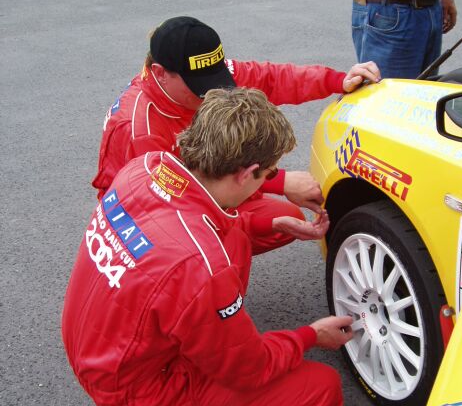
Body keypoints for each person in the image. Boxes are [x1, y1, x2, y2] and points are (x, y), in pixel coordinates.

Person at [63, 87, 353, 406]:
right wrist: (309, 335)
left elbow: (189, 228)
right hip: (134, 391)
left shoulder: (146, 166)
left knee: (235, 236)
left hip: (95, 343)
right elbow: (249, 369)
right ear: (247, 173)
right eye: (268, 174)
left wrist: (266, 223)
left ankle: (190, 388)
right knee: (322, 391)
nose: (269, 181)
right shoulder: (202, 268)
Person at [92, 16, 381, 254]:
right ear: (160, 72)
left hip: (203, 186)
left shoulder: (201, 70)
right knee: (225, 240)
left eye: (216, 79)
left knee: (283, 219)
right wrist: (276, 180)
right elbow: (176, 201)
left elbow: (272, 78)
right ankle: (209, 284)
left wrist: (337, 81)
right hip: (151, 215)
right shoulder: (138, 128)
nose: (212, 94)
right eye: (200, 88)